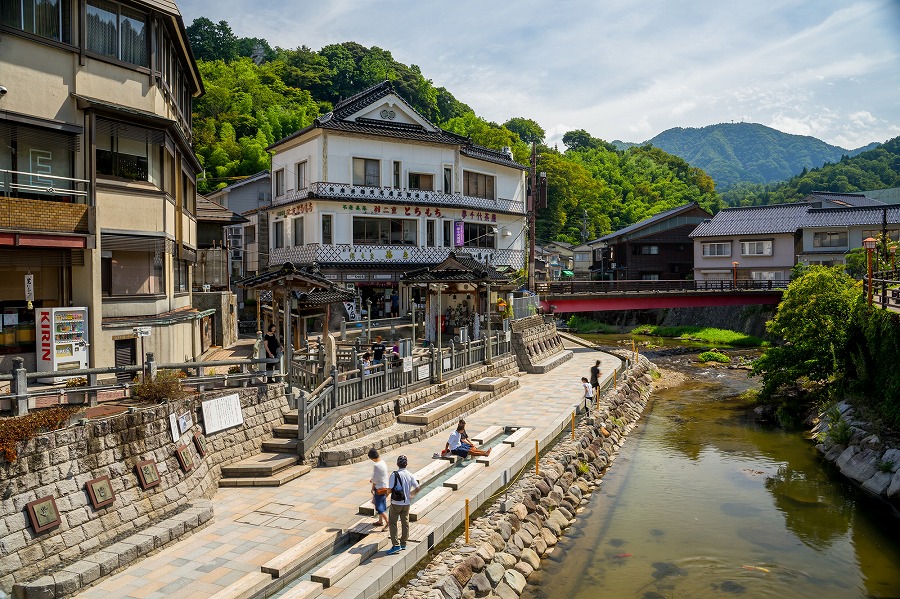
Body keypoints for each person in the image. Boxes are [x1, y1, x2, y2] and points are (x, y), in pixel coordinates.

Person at [386, 455, 419, 555]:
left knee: (392, 523)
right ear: (406, 464)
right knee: (405, 522)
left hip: (396, 503)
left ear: (397, 464)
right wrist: (411, 496)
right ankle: (403, 543)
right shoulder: (410, 475)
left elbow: (390, 489)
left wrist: (386, 496)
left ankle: (396, 545)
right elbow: (417, 488)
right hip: (406, 503)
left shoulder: (394, 475)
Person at [368, 448, 389, 530]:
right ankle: (380, 521)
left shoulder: (376, 465)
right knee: (382, 504)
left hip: (379, 488)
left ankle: (388, 522)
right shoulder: (382, 462)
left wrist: (372, 485)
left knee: (379, 507)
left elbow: (376, 479)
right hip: (385, 486)